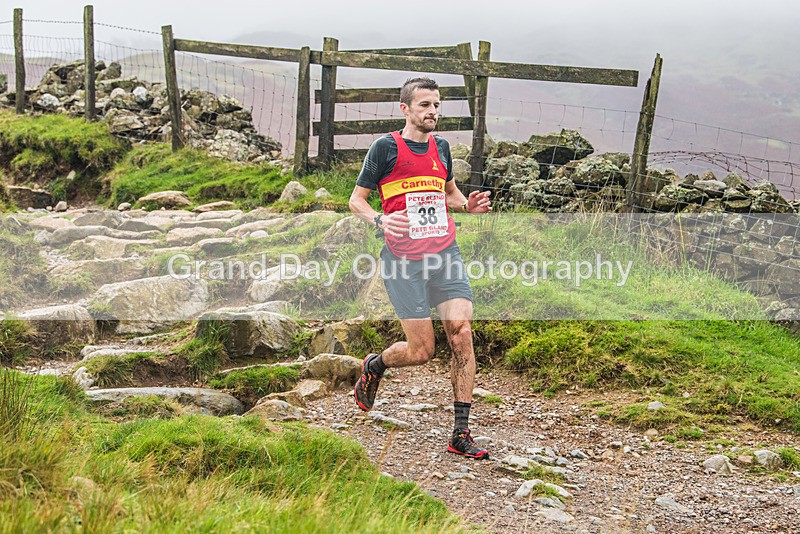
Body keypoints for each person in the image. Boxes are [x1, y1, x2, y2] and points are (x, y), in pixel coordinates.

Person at [348, 76, 492, 459]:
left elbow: (448, 193)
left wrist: (467, 206)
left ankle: (461, 433)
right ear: (406, 109)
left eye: (437, 105)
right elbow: (356, 201)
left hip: (445, 254)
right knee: (421, 351)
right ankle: (375, 365)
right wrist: (379, 220)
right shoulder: (385, 148)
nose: (432, 112)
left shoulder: (442, 148)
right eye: (425, 105)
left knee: (461, 331)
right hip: (402, 262)